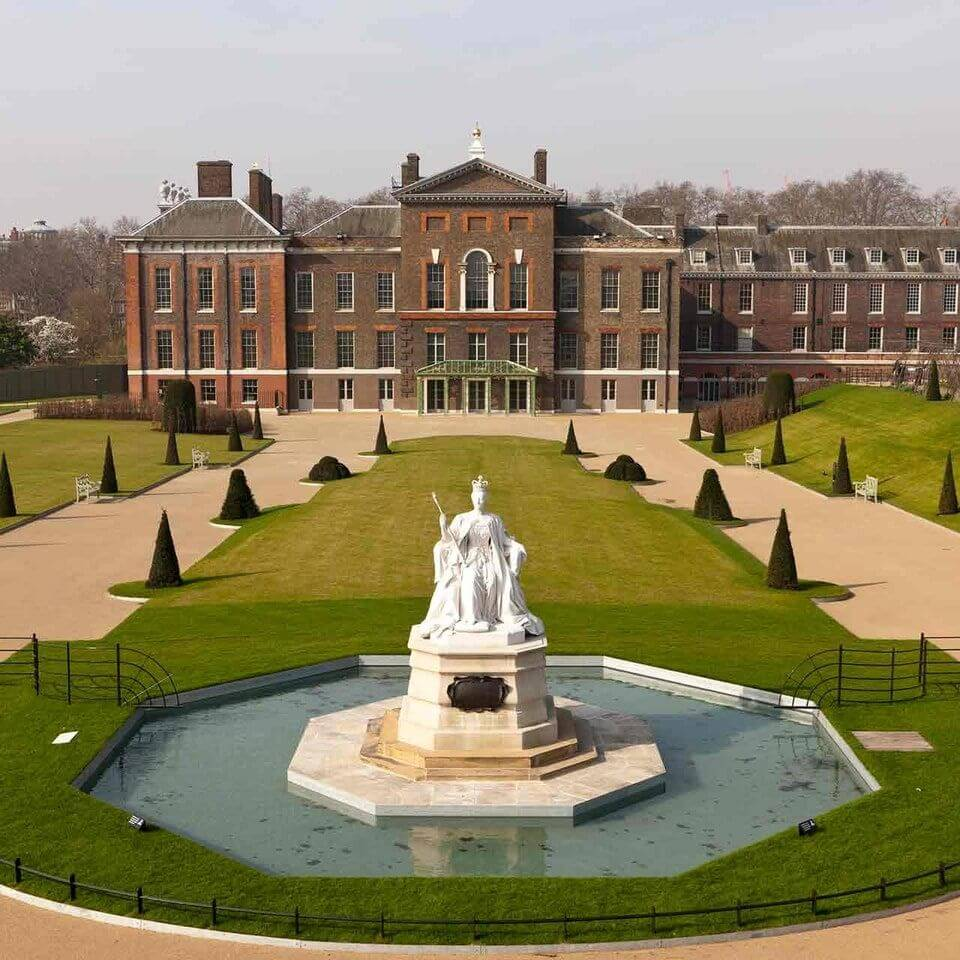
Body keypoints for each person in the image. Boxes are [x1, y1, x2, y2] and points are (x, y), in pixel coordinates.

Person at [417, 476, 544, 639]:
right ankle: (472, 620)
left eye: (482, 497)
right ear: (472, 498)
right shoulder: (462, 518)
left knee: (495, 580)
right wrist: (443, 526)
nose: (479, 500)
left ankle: (491, 616)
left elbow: (504, 541)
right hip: (468, 559)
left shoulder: (494, 519)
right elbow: (449, 540)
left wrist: (517, 547)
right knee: (471, 579)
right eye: (476, 497)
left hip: (490, 559)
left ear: (486, 499)